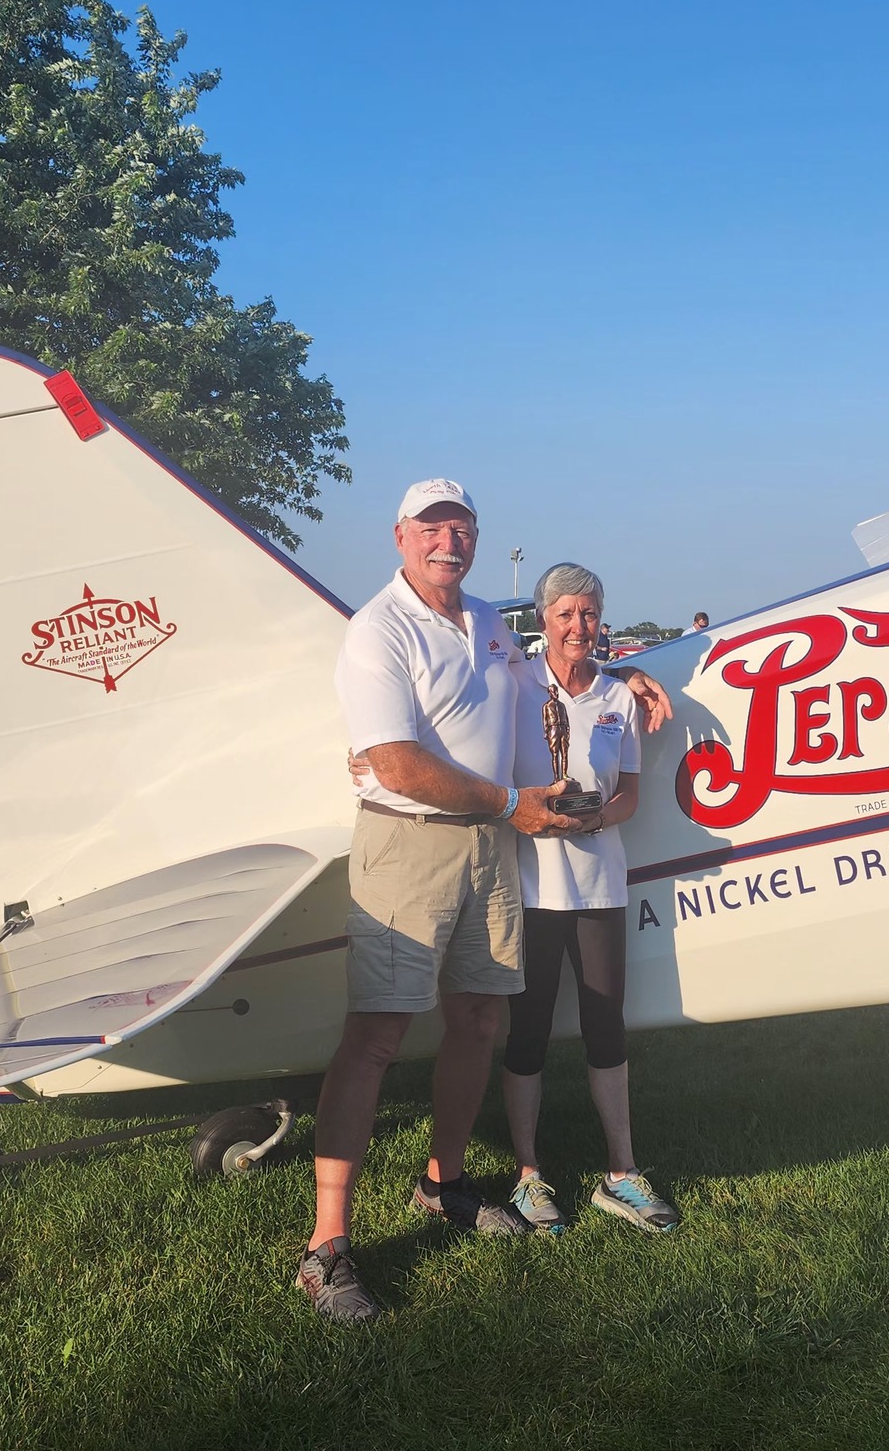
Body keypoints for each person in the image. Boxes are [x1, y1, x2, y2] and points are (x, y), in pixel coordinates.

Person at [301, 480, 670, 1324]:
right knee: (378, 1035)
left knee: (477, 1023)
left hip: (491, 851)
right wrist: (510, 806)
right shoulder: (378, 629)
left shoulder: (492, 625)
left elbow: (556, 681)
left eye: (461, 528)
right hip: (413, 844)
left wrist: (631, 670)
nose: (448, 541)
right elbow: (393, 760)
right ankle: (326, 1248)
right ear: (401, 536)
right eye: (432, 527)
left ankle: (445, 1183)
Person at [503, 563, 681, 1236]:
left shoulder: (617, 698)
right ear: (544, 619)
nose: (580, 627)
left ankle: (622, 1171)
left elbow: (630, 792)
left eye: (591, 614)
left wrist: (595, 820)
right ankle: (527, 1175)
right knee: (530, 1033)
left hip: (600, 884)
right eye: (567, 614)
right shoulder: (515, 684)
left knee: (608, 1028)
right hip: (531, 887)